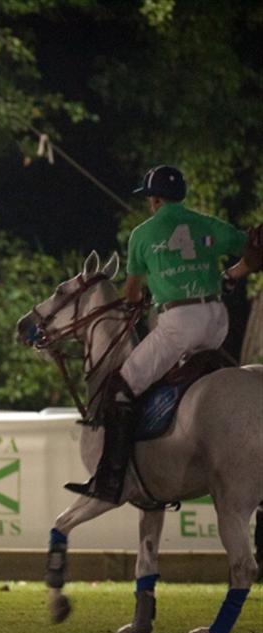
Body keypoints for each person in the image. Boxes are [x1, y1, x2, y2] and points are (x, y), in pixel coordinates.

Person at [67, 165, 262, 502]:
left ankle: (111, 480)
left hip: (178, 323)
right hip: (217, 321)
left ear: (155, 200)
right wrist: (231, 275)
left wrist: (142, 298)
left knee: (120, 387)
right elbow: (254, 250)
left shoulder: (143, 234)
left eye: (149, 199)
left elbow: (130, 294)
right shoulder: (206, 224)